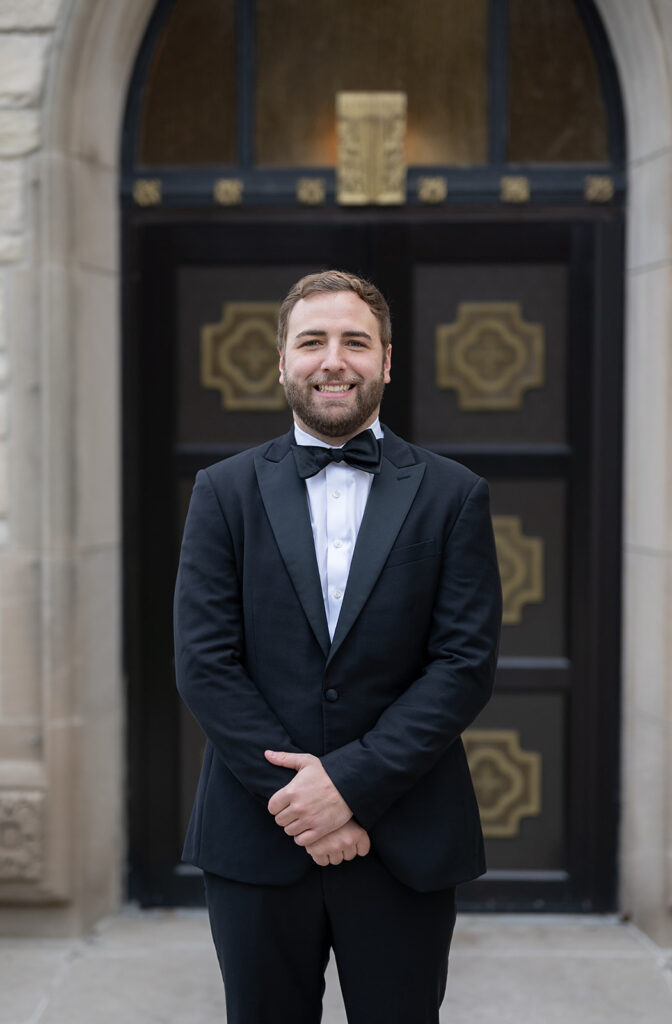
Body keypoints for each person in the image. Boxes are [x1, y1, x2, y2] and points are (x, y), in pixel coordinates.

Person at [173, 270, 502, 1024]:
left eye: (354, 342)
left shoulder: (454, 494)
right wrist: (302, 805)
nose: (332, 360)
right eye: (311, 341)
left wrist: (347, 786)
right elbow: (204, 662)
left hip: (404, 837)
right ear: (280, 361)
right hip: (257, 835)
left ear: (386, 362)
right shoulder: (222, 492)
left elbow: (462, 665)